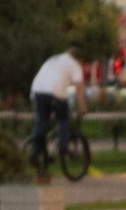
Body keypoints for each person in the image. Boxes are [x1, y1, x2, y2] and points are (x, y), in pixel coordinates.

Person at [28, 45, 85, 175]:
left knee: (41, 121)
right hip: (56, 93)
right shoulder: (74, 64)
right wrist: (82, 107)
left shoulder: (52, 59)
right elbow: (79, 88)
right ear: (78, 58)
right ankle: (63, 148)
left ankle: (35, 152)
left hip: (37, 91)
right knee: (64, 118)